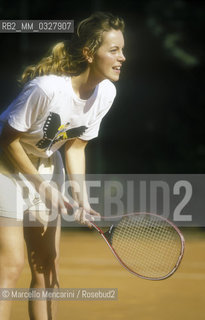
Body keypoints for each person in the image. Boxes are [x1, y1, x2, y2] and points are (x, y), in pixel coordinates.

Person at [0, 11, 126, 320]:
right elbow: (7, 140)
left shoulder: (106, 92)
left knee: (47, 267)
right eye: (114, 50)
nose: (122, 57)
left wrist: (81, 197)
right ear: (88, 53)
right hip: (5, 164)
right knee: (11, 266)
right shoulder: (46, 89)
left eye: (122, 49)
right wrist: (43, 188)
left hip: (46, 162)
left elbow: (76, 145)